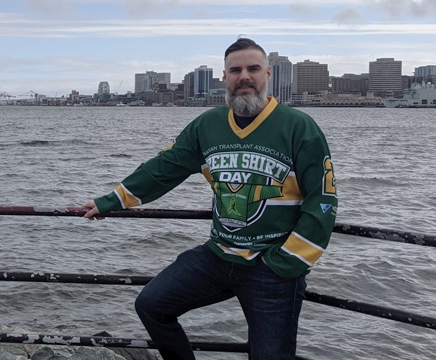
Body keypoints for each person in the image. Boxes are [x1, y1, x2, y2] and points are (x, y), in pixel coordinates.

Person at [83, 37, 337, 360]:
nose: (244, 76)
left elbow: (324, 201)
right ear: (225, 77)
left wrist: (285, 262)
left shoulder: (299, 128)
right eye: (236, 70)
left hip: (272, 267)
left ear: (268, 75)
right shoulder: (207, 126)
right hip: (217, 256)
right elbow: (165, 168)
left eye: (253, 68)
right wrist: (112, 200)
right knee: (151, 305)